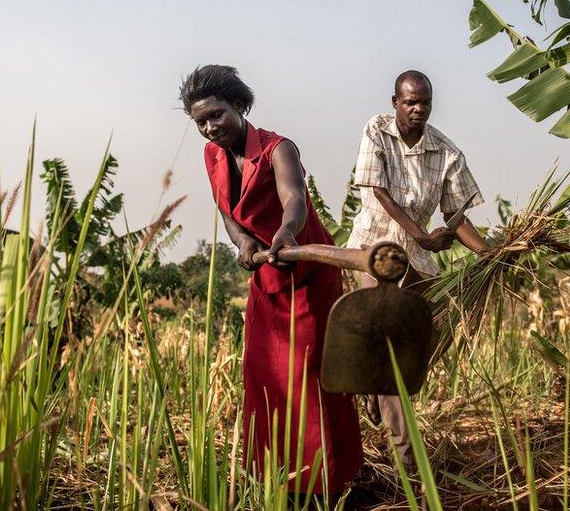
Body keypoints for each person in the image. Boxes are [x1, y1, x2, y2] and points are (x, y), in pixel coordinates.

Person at [180, 65, 363, 496]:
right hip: (267, 276)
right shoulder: (212, 156)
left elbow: (294, 198)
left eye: (217, 115)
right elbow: (227, 210)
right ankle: (275, 479)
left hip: (308, 274)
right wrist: (244, 244)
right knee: (265, 375)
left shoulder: (279, 148)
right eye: (201, 122)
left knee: (308, 377)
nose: (210, 127)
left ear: (239, 106)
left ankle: (325, 483)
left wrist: (286, 232)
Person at [346, 69, 489, 468]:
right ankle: (407, 459)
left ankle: (374, 386)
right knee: (389, 349)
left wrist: (490, 255)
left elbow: (456, 216)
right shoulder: (376, 130)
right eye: (410, 102)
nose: (418, 109)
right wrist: (421, 234)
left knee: (413, 349)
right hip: (374, 251)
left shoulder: (447, 152)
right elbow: (379, 190)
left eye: (425, 102)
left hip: (419, 263)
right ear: (395, 103)